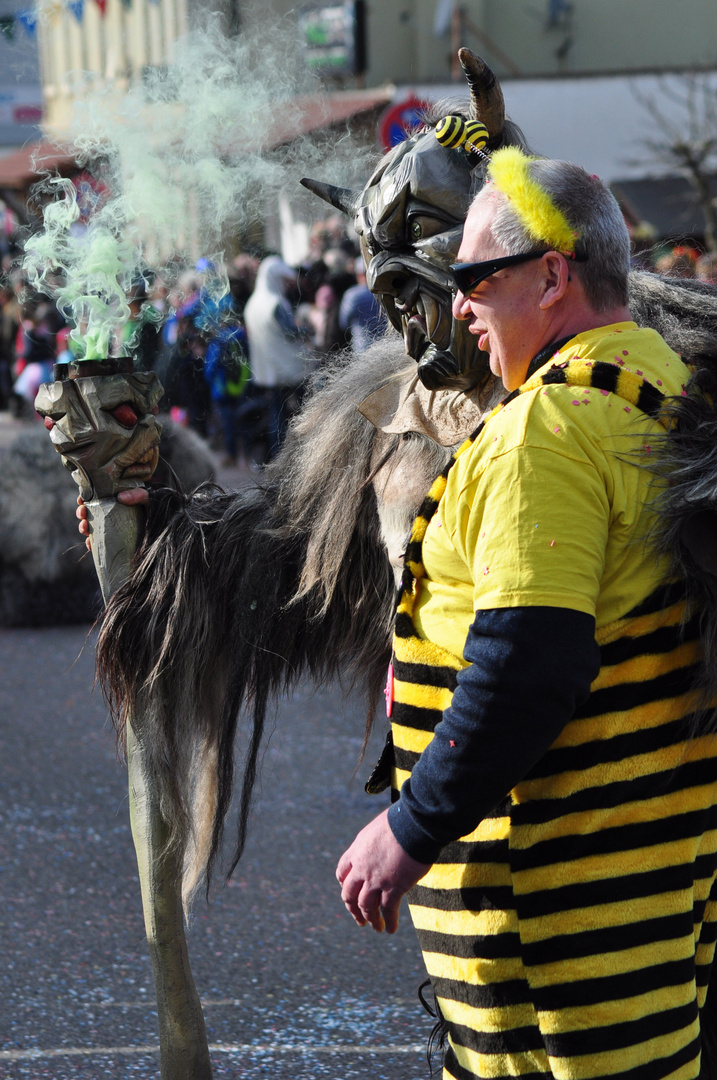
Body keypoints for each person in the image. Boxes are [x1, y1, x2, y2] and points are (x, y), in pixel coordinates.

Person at [337, 149, 717, 1079]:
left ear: (551, 277)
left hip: (558, 937)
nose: (458, 304)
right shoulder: (663, 387)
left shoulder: (544, 435)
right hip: (650, 903)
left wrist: (409, 827)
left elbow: (527, 663)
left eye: (473, 278)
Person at [243, 255, 309, 457]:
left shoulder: (252, 304)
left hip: (267, 371)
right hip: (288, 369)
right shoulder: (275, 303)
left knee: (275, 417)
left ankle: (276, 459)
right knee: (297, 416)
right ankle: (293, 458)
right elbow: (291, 333)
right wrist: (309, 329)